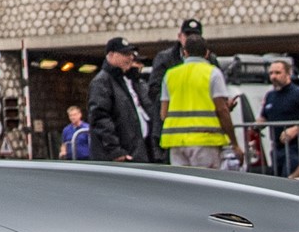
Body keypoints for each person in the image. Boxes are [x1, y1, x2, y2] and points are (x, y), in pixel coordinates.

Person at [158, 33, 238, 169]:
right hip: (205, 140)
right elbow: (221, 110)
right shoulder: (213, 73)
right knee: (206, 185)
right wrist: (234, 143)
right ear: (207, 53)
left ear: (185, 52)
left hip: (177, 143)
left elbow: (164, 114)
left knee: (183, 187)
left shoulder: (170, 75)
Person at [87, 37, 154, 163]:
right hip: (122, 156)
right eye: (125, 54)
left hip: (138, 151)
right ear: (111, 55)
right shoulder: (102, 82)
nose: (130, 58)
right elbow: (100, 118)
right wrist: (115, 151)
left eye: (130, 54)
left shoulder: (129, 80)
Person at [145, 17, 201, 159]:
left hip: (199, 131)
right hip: (171, 131)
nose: (190, 40)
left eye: (196, 36)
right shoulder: (165, 58)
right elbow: (154, 90)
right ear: (179, 36)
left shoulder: (208, 60)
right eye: (188, 35)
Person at [260, 57, 299, 176]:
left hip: (296, 147)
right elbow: (263, 117)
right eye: (271, 73)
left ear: (288, 74)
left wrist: (295, 129)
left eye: (277, 73)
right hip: (276, 148)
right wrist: (254, 127)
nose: (273, 77)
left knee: (289, 179)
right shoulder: (270, 95)